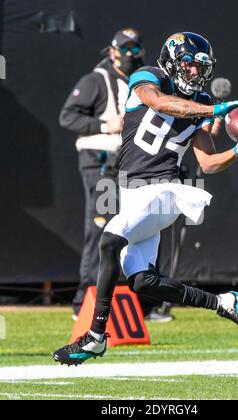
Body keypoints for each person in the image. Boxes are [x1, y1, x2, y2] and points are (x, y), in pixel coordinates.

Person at [53, 32, 238, 366]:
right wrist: (212, 109)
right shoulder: (149, 77)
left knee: (108, 241)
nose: (196, 73)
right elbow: (159, 103)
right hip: (133, 193)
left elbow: (208, 164)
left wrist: (237, 151)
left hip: (165, 191)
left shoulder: (201, 105)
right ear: (171, 61)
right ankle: (223, 302)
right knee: (141, 281)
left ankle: (95, 336)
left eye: (201, 67)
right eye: (189, 65)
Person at [59, 28, 170, 320]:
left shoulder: (146, 81)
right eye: (126, 48)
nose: (131, 54)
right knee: (101, 229)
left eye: (136, 49)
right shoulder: (97, 80)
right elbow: (67, 116)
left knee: (141, 228)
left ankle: (144, 304)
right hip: (101, 163)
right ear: (112, 52)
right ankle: (84, 302)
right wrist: (107, 125)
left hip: (131, 164)